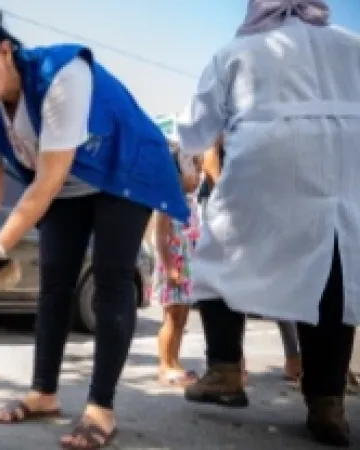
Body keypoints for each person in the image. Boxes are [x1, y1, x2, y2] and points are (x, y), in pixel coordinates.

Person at [0, 5, 189, 449]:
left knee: (113, 278)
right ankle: (43, 393)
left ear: (4, 52)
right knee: (54, 282)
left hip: (123, 169)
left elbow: (49, 177)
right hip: (68, 183)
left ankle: (101, 408)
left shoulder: (62, 73)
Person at [175, 0, 360, 446]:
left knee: (220, 251)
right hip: (346, 163)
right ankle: (326, 403)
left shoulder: (241, 50)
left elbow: (195, 129)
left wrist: (191, 143)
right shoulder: (352, 44)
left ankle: (224, 370)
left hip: (269, 154)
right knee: (333, 276)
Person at [198, 139, 302, 384]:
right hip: (236, 202)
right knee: (243, 283)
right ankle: (234, 366)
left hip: (245, 201)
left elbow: (211, 155)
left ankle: (231, 369)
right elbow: (210, 159)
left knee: (242, 283)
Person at [151, 146, 201, 387]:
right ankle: (165, 364)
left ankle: (175, 361)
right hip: (173, 265)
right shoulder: (167, 200)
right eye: (193, 168)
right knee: (171, 318)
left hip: (187, 267)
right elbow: (159, 236)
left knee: (182, 318)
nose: (198, 174)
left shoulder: (191, 201)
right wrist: (169, 266)